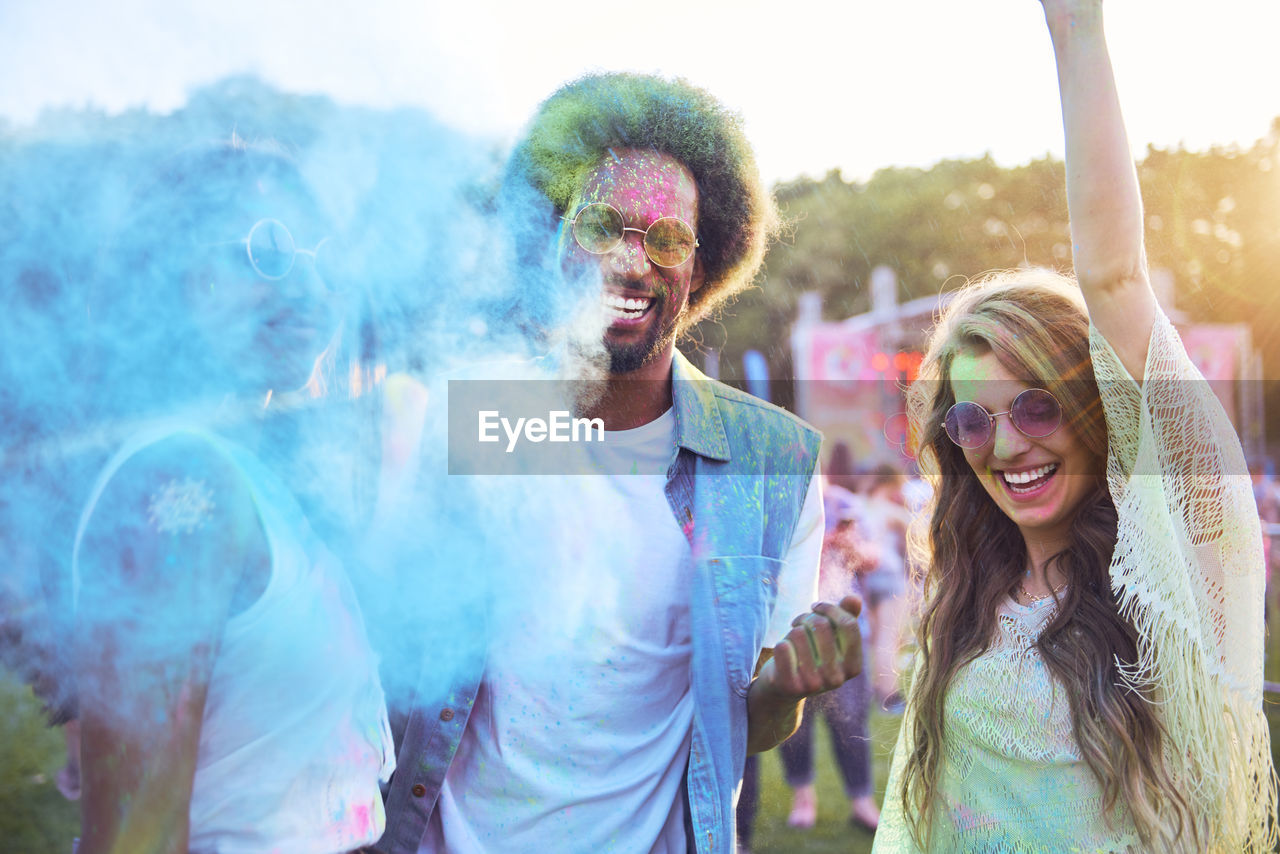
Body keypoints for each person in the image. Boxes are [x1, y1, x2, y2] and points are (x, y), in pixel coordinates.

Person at [376, 74, 864, 854]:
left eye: (667, 238)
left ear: (700, 269)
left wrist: (786, 687)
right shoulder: (472, 424)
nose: (633, 263)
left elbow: (761, 725)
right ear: (554, 241)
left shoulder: (772, 465)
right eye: (604, 225)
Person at [873, 2, 1276, 851]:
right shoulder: (970, 587)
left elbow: (1116, 274)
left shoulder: (1180, 579)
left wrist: (1077, 34)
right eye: (975, 420)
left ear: (1100, 410)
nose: (1009, 444)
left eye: (1038, 403)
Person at [72, 143, 395, 854]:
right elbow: (135, 836)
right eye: (268, 252)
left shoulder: (253, 476)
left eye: (321, 257)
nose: (308, 287)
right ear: (172, 277)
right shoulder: (182, 487)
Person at [781, 481, 881, 833]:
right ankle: (803, 798)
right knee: (795, 723)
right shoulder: (781, 498)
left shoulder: (845, 505)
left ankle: (862, 802)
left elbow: (874, 557)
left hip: (846, 633)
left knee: (851, 720)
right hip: (792, 629)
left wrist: (850, 545)